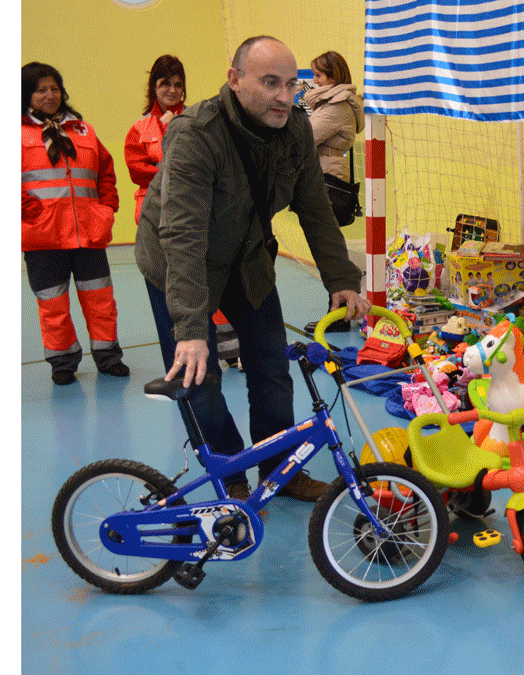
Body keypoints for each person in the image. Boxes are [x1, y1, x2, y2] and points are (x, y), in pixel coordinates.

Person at [134, 36, 370, 501]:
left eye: (291, 84)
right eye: (269, 82)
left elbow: (315, 208)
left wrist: (342, 280)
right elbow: (181, 237)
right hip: (179, 266)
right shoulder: (195, 134)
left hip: (246, 259)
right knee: (197, 375)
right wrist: (190, 327)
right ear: (234, 80)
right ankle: (232, 474)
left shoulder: (297, 129)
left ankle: (280, 467)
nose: (284, 96)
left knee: (271, 367)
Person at [21, 62, 129, 386]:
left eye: (54, 88)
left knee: (100, 301)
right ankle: (63, 362)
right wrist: (30, 213)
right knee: (53, 305)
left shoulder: (84, 131)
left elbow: (105, 172)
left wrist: (107, 208)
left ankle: (108, 357)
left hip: (88, 233)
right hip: (43, 237)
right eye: (41, 89)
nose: (49, 95)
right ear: (27, 94)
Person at [302, 50, 365, 334]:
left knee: (330, 247)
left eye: (318, 76)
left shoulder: (337, 106)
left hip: (327, 178)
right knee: (330, 245)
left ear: (333, 77)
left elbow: (305, 137)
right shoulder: (331, 103)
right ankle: (337, 312)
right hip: (324, 174)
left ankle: (339, 314)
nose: (314, 82)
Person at [124, 55, 186, 224]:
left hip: (189, 209)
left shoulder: (197, 122)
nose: (173, 90)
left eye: (178, 85)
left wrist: (174, 126)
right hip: (153, 214)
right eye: (166, 83)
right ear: (154, 86)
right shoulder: (138, 128)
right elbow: (138, 172)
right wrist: (177, 174)